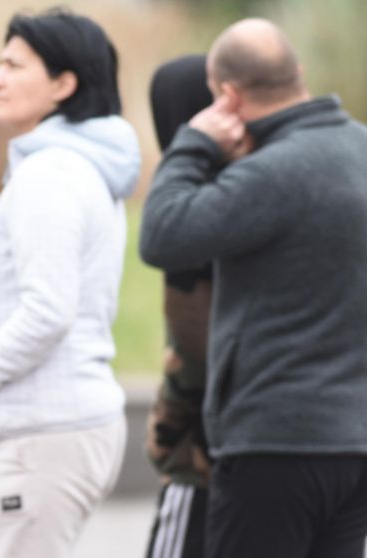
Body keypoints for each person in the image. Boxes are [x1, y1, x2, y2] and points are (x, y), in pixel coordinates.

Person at [139, 18, 367, 558]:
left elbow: (163, 235)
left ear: (228, 97)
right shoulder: (360, 148)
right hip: (355, 443)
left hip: (274, 443)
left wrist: (194, 142)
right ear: (298, 74)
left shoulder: (270, 173)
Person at [0, 9, 140, 557]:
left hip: (47, 433)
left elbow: (48, 313)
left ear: (64, 83)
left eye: (13, 65)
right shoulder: (67, 167)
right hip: (57, 430)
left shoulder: (52, 175)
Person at [142, 54, 214, 558]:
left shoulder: (192, 208)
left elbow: (192, 342)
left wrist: (166, 438)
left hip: (204, 453)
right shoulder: (266, 187)